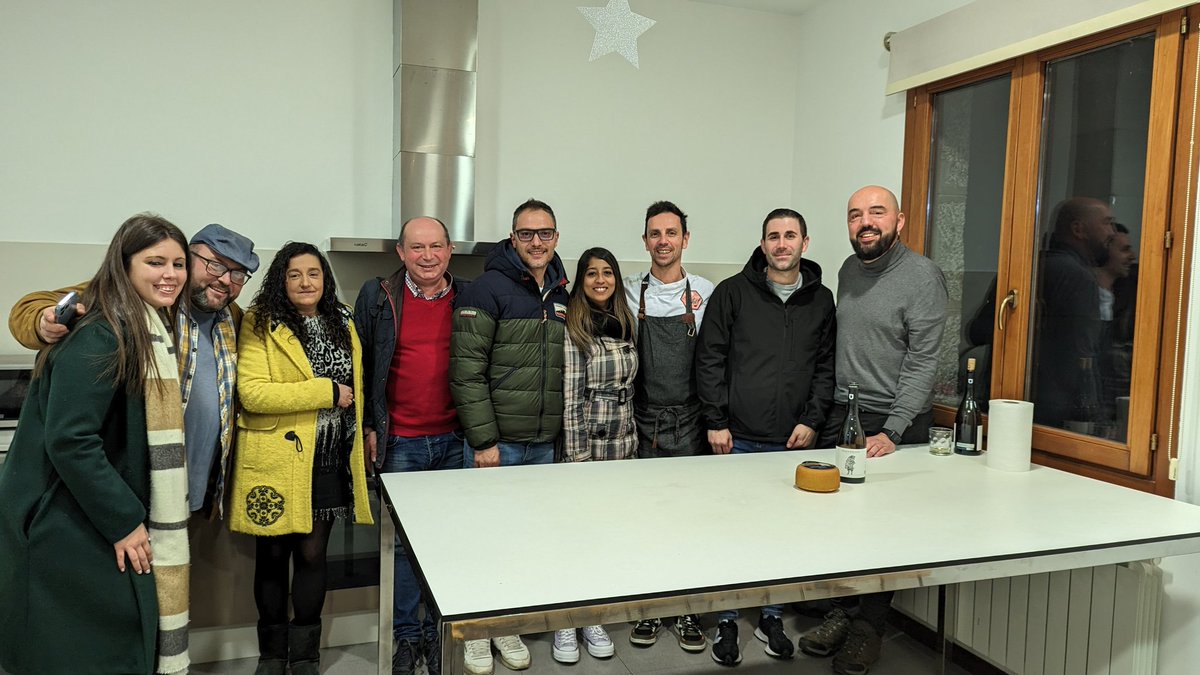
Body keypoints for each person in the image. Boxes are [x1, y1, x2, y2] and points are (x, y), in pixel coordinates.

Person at [0, 214, 192, 675]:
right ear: (123, 265)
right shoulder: (102, 332)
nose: (170, 274)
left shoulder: (145, 323)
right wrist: (124, 521)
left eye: (179, 263)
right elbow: (71, 440)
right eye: (156, 262)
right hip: (65, 520)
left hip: (89, 515)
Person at [7, 223, 259, 519]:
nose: (225, 280)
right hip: (139, 483)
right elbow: (29, 307)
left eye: (238, 274)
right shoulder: (146, 298)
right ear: (188, 260)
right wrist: (42, 321)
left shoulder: (233, 319)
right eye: (215, 265)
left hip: (203, 486)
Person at [807, 186, 947, 675]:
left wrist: (893, 428)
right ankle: (841, 614)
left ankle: (867, 632)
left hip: (893, 421)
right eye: (855, 215)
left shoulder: (922, 276)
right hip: (845, 414)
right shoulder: (848, 270)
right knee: (843, 527)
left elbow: (924, 358)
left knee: (884, 534)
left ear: (900, 221)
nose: (865, 222)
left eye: (876, 213)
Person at [696, 208, 836, 666]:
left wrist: (812, 420)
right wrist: (716, 421)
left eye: (790, 236)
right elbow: (710, 359)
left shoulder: (821, 300)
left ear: (805, 243)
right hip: (734, 438)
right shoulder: (732, 293)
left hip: (791, 441)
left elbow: (824, 368)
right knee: (731, 532)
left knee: (781, 535)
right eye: (773, 236)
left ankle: (772, 615)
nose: (781, 244)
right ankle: (727, 621)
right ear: (762, 244)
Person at [229, 242, 374, 675]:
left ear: (325, 279)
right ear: (281, 279)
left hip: (329, 457)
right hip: (275, 457)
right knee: (272, 558)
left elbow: (360, 388)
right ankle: (272, 656)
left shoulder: (343, 320)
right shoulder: (260, 321)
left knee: (313, 556)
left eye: (314, 273)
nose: (306, 282)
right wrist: (325, 391)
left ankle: (307, 656)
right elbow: (252, 394)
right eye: (295, 274)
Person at [450, 198, 570, 674]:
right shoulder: (485, 289)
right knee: (483, 540)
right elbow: (467, 372)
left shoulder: (563, 292)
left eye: (545, 233)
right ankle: (477, 633)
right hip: (499, 443)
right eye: (527, 234)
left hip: (545, 444)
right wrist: (482, 442)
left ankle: (509, 625)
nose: (536, 242)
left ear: (556, 237)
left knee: (524, 541)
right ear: (512, 237)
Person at [354, 216, 468, 675]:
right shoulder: (378, 296)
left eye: (436, 246)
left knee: (448, 544)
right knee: (403, 548)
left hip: (455, 440)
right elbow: (360, 365)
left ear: (449, 250)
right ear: (401, 253)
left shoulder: (470, 296)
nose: (427, 256)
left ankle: (438, 635)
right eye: (417, 247)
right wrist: (366, 426)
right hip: (399, 440)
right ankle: (406, 638)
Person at [623, 200, 715, 653]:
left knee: (689, 518)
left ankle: (688, 611)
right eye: (654, 234)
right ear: (644, 241)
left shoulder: (706, 292)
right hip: (643, 421)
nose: (663, 241)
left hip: (691, 421)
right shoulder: (626, 291)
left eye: (671, 233)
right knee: (647, 517)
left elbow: (717, 361)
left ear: (685, 239)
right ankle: (649, 609)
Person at [552, 247, 638, 664]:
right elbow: (570, 398)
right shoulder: (573, 325)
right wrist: (577, 457)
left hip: (622, 444)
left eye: (607, 273)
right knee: (573, 536)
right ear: (580, 280)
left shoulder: (626, 320)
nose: (600, 280)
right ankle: (565, 622)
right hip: (586, 444)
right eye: (591, 274)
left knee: (606, 536)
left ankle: (594, 617)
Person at [1031, 197, 1115, 430]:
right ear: (1079, 229)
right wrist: (1096, 413)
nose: (1113, 233)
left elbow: (977, 330)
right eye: (1107, 223)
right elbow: (1084, 354)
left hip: (1034, 399)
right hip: (1059, 409)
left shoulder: (1032, 265)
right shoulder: (1076, 276)